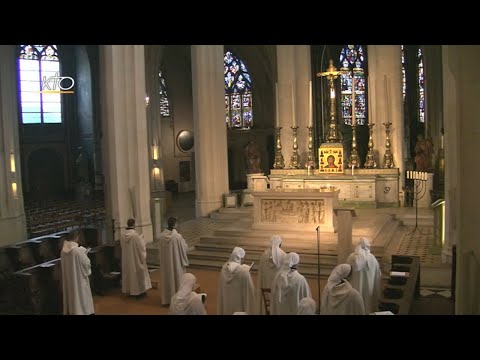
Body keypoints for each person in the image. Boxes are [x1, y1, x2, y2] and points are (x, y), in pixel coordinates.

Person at [60, 230, 95, 315]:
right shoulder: (78, 251)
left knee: (72, 297)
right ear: (76, 237)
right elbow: (86, 264)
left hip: (69, 279)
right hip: (79, 279)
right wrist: (85, 254)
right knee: (81, 297)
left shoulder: (63, 251)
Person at [346, 237, 382, 314]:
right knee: (367, 306)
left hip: (355, 288)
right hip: (369, 289)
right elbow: (378, 274)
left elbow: (346, 273)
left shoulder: (352, 258)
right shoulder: (372, 258)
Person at [159, 217, 189, 305]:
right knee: (177, 280)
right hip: (176, 265)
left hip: (166, 264)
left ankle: (167, 299)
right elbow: (184, 248)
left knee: (167, 279)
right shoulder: (177, 237)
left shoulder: (161, 236)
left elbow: (160, 251)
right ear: (175, 224)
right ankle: (177, 300)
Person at [217, 247, 256, 315]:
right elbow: (250, 292)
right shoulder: (244, 272)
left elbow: (221, 287)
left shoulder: (224, 268)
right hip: (239, 307)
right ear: (240, 258)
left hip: (227, 303)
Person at [120, 218, 152, 298]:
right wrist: (142, 240)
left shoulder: (122, 235)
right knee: (137, 275)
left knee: (129, 274)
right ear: (134, 225)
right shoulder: (135, 236)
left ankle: (130, 291)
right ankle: (138, 292)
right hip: (135, 260)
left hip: (127, 260)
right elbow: (140, 248)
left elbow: (122, 246)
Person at [257, 235, 287, 314]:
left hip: (266, 293)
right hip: (279, 293)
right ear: (280, 244)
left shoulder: (264, 256)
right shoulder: (284, 256)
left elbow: (261, 275)